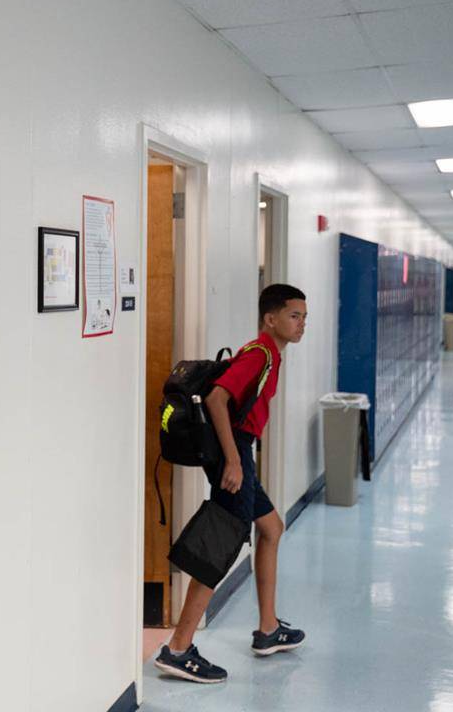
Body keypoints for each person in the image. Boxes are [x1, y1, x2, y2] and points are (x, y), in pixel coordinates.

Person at [154, 284, 307, 684]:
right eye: (294, 315)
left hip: (240, 449)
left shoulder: (270, 355)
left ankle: (268, 628)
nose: (301, 323)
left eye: (304, 316)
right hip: (232, 451)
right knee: (218, 544)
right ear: (270, 319)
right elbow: (218, 400)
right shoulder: (259, 354)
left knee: (272, 527)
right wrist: (235, 461)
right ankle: (178, 648)